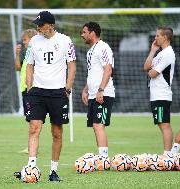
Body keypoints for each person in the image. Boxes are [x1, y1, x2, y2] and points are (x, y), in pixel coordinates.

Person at [15, 10, 76, 182]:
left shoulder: (65, 40)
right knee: (34, 128)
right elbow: (29, 65)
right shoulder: (34, 41)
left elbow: (72, 66)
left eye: (41, 24)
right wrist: (29, 86)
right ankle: (31, 166)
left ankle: (53, 171)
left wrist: (68, 87)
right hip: (37, 92)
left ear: (51, 25)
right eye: (37, 24)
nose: (38, 27)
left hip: (58, 93)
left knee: (57, 133)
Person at [81, 22, 115, 158]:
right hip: (93, 94)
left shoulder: (103, 47)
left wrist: (101, 90)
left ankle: (103, 159)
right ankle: (102, 157)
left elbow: (108, 69)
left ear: (92, 33)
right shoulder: (90, 51)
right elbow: (93, 73)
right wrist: (85, 89)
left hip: (103, 93)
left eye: (84, 32)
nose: (82, 35)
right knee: (96, 126)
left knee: (98, 125)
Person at [143, 27, 176, 155]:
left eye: (157, 36)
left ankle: (167, 155)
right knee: (161, 124)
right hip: (156, 95)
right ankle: (168, 154)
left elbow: (153, 73)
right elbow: (146, 67)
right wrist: (152, 51)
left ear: (165, 37)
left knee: (164, 125)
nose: (155, 38)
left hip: (162, 94)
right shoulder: (160, 53)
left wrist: (151, 70)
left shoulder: (168, 53)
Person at [15, 29, 38, 154]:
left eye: (25, 40)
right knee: (30, 119)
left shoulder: (35, 52)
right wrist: (17, 54)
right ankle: (31, 146)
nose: (23, 42)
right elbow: (18, 68)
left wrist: (32, 86)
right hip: (25, 89)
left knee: (33, 119)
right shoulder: (28, 53)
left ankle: (32, 147)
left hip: (31, 90)